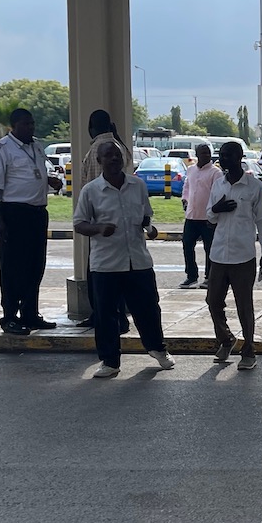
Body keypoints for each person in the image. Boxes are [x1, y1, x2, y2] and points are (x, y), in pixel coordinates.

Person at [72, 141, 175, 378]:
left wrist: (149, 228)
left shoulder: (137, 185)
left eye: (117, 155)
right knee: (106, 313)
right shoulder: (91, 191)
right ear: (99, 161)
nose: (114, 159)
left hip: (138, 260)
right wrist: (98, 228)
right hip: (106, 263)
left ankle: (158, 349)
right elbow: (79, 224)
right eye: (108, 156)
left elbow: (145, 216)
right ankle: (110, 361)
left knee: (148, 308)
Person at [0, 108, 62, 335]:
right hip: (14, 213)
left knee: (35, 265)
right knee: (12, 268)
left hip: (37, 213)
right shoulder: (1, 149)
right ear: (14, 127)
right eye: (26, 125)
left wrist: (50, 180)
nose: (31, 128)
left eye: (32, 124)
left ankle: (30, 313)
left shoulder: (36, 146)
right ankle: (9, 316)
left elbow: (32, 174)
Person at [205, 141, 262, 371]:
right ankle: (226, 339)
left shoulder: (253, 186)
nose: (223, 159)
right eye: (221, 155)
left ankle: (249, 350)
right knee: (213, 302)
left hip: (243, 256)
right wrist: (217, 209)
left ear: (239, 157)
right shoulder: (218, 184)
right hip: (219, 254)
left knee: (244, 305)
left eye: (228, 155)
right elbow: (209, 216)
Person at [73, 111, 132, 331]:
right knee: (119, 274)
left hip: (98, 224)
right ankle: (117, 316)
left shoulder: (96, 152)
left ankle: (103, 315)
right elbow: (128, 163)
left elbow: (86, 187)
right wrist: (117, 134)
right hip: (119, 221)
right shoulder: (118, 148)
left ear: (91, 127)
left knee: (99, 276)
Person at [179, 143, 221, 288]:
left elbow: (218, 193)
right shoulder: (191, 170)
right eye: (203, 153)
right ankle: (191, 276)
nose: (206, 156)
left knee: (209, 248)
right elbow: (187, 187)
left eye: (208, 153)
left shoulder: (215, 173)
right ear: (197, 155)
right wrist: (184, 200)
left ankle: (210, 277)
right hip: (191, 216)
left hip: (207, 218)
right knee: (187, 245)